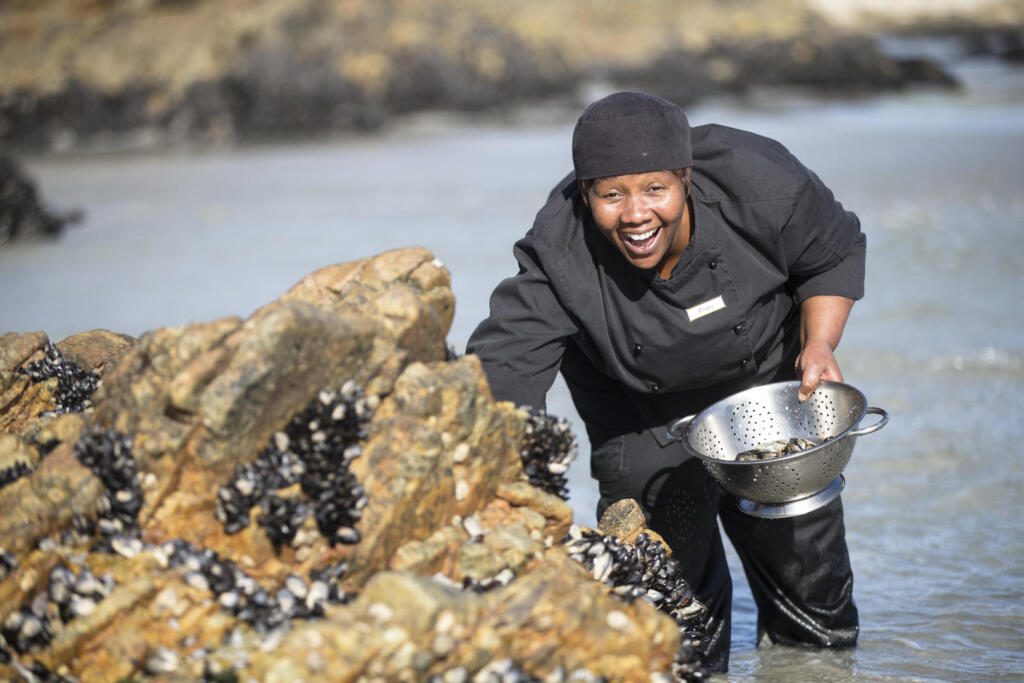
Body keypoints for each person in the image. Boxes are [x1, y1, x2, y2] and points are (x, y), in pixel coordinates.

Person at [466, 91, 863, 670]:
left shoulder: (762, 181)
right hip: (639, 417)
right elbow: (505, 362)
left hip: (770, 403)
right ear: (586, 194)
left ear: (685, 178)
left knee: (818, 627)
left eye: (655, 189)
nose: (635, 214)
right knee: (675, 629)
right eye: (611, 195)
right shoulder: (559, 251)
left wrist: (820, 344)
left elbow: (832, 254)